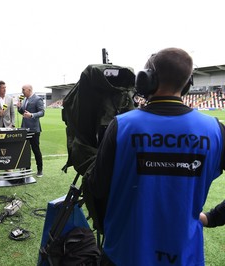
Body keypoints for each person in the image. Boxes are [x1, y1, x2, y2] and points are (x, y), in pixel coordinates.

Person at [86, 48, 225, 265]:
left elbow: (97, 186)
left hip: (124, 252)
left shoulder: (122, 125)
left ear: (146, 80)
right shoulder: (215, 130)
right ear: (188, 84)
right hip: (184, 256)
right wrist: (213, 217)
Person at [17, 84, 45, 177]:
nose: (22, 91)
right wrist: (19, 107)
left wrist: (32, 115)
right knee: (25, 150)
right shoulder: (25, 99)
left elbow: (42, 112)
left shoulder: (37, 99)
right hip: (24, 128)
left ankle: (40, 169)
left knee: (35, 149)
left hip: (34, 129)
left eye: (23, 89)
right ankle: (27, 169)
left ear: (29, 90)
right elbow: (23, 112)